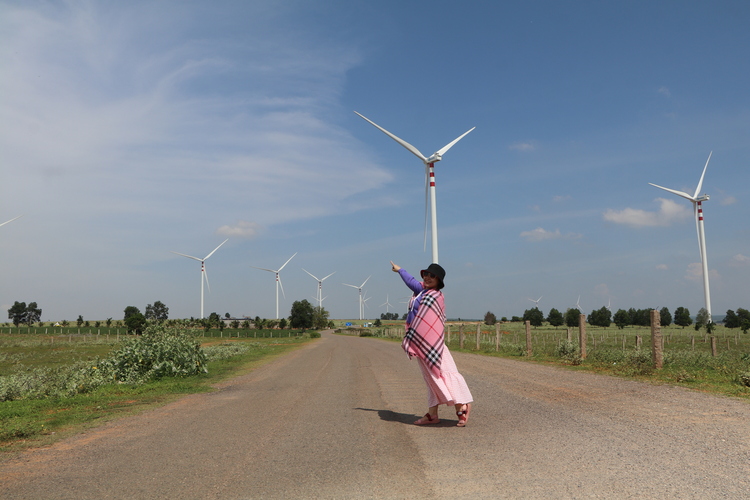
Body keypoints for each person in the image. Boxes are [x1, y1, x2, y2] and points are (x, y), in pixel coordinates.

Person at [391, 260, 473, 427]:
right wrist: (400, 270)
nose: (427, 277)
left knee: (444, 374)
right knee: (431, 378)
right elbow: (411, 281)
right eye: (426, 274)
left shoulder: (435, 296)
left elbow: (429, 321)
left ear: (439, 280)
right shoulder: (422, 291)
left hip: (434, 345)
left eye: (432, 276)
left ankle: (461, 406)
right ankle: (433, 414)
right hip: (420, 343)